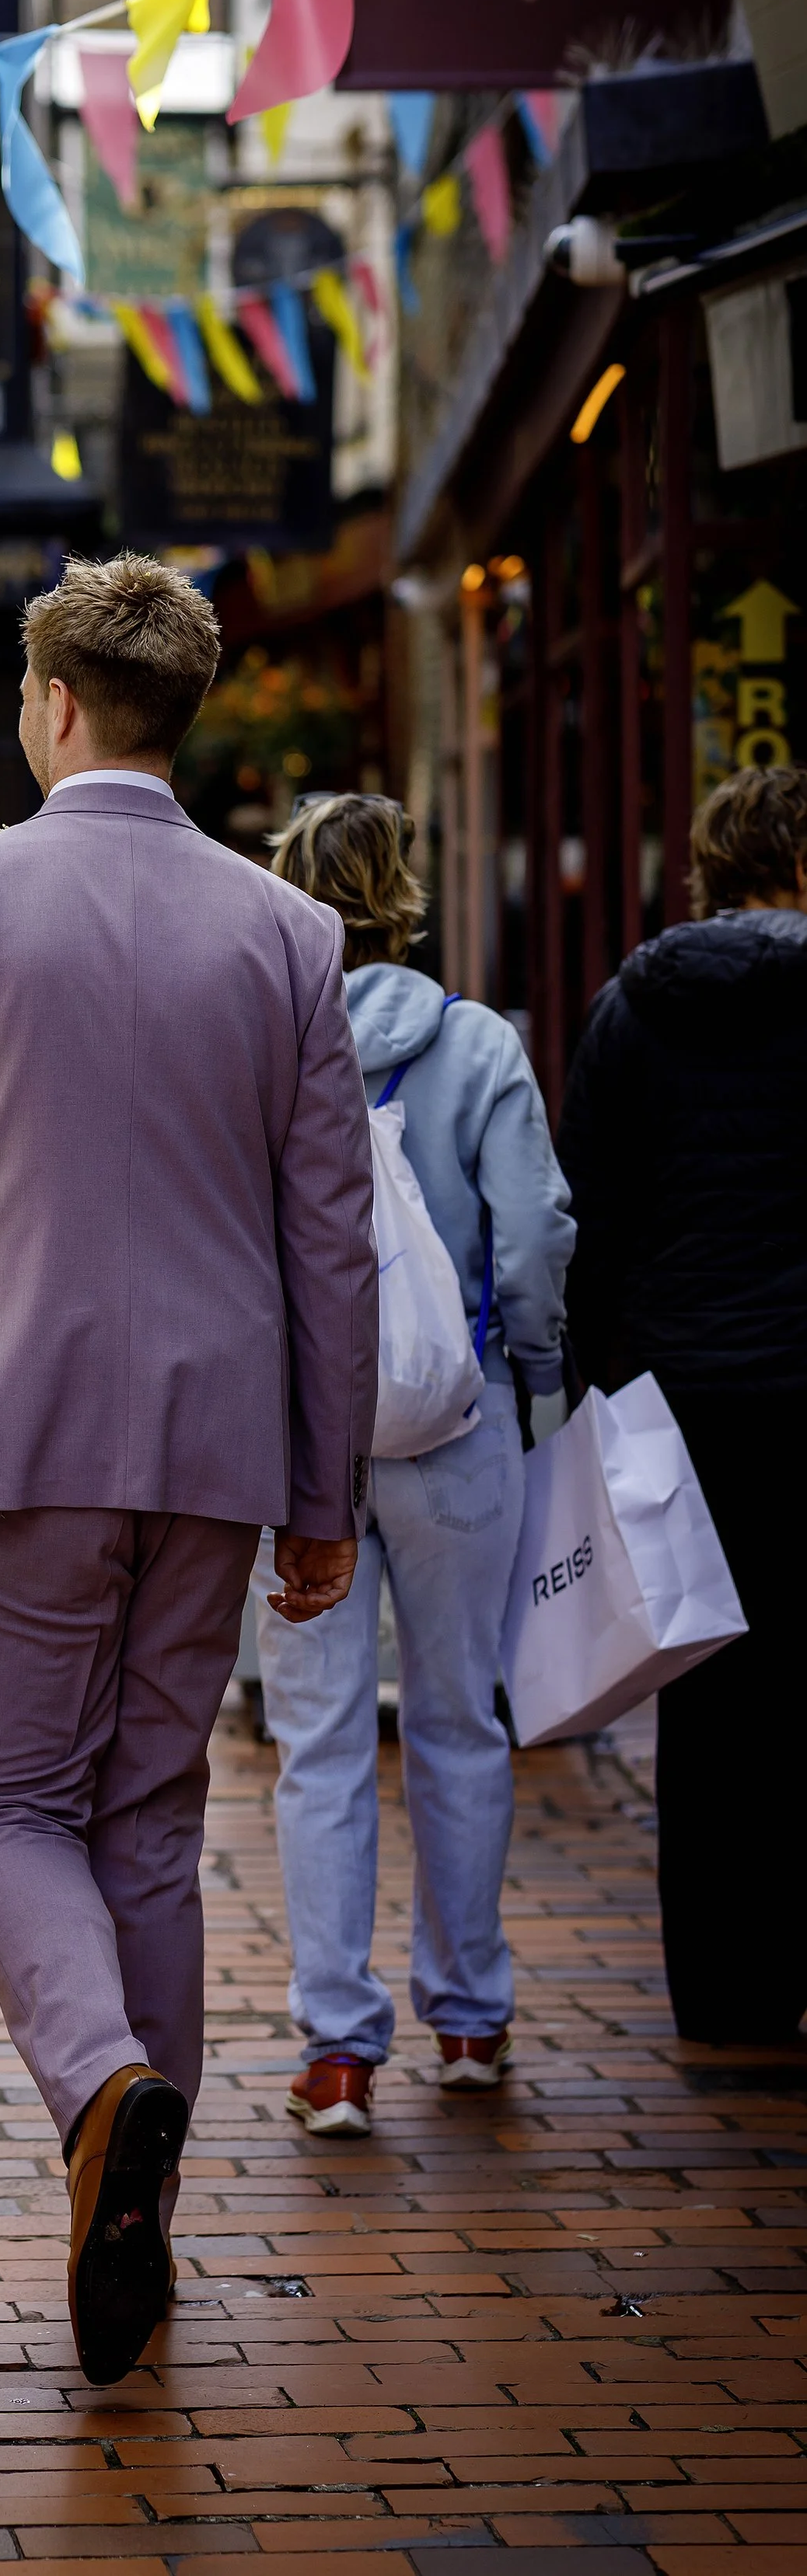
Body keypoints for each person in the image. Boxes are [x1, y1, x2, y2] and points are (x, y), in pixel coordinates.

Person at [0, 555, 377, 2385]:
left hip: (15, 1425)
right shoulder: (285, 934)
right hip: (216, 1432)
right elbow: (332, 1240)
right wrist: (325, 1490)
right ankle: (138, 2188)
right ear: (177, 716)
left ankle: (102, 2086)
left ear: (49, 706)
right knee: (147, 1814)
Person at [255, 793, 574, 2137]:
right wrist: (537, 1384)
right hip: (458, 1431)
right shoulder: (478, 1042)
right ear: (406, 891)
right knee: (458, 1722)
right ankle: (471, 2018)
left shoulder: (266, 1043)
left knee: (317, 1742)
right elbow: (537, 1234)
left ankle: (336, 2050)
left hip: (302, 1444)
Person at [558, 763, 807, 2045]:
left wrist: (614, 1372)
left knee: (707, 1699)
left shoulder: (631, 1011)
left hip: (691, 1401)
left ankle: (726, 1994)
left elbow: (587, 1218)